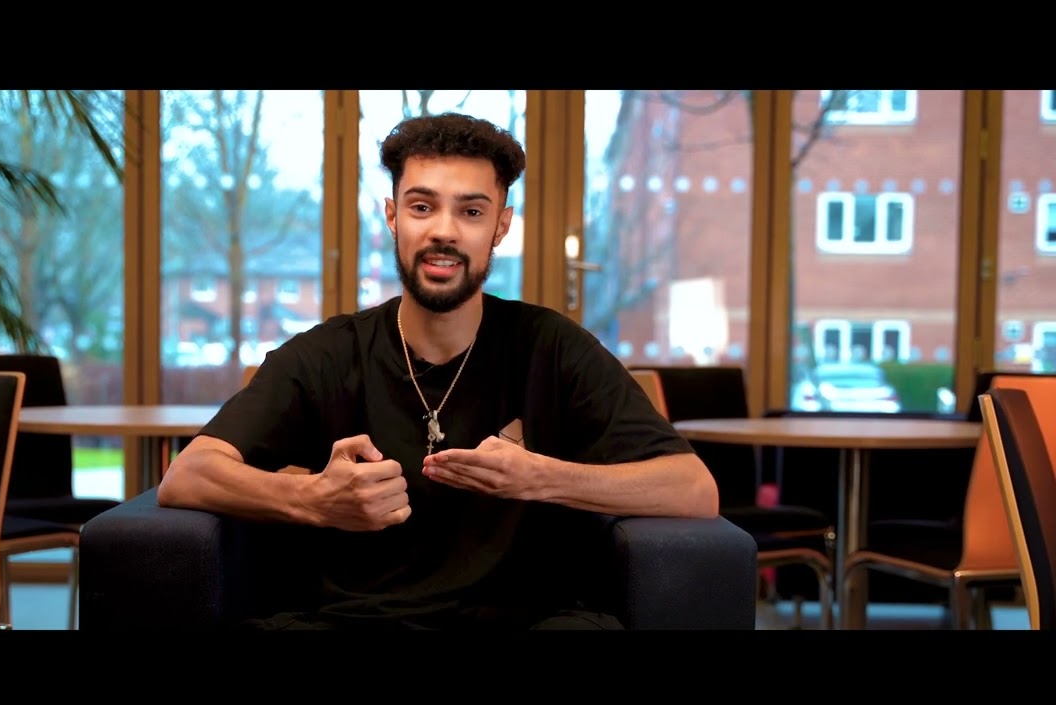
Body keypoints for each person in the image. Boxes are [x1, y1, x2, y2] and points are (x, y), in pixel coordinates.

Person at [157, 111, 719, 630]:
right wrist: (316, 501)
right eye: (422, 206)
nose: (444, 231)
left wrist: (541, 478)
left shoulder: (554, 347)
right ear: (392, 216)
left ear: (500, 226)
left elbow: (693, 489)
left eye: (471, 211)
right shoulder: (326, 353)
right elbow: (190, 475)